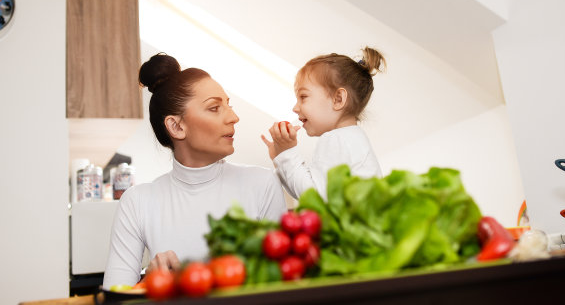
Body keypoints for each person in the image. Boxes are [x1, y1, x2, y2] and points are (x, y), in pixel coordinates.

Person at [103, 53, 287, 289]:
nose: (234, 117)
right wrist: (149, 283)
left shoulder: (262, 184)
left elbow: (285, 285)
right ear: (177, 126)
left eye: (229, 105)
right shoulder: (137, 202)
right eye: (214, 108)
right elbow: (114, 297)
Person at [261, 47, 385, 200]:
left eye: (303, 97)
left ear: (338, 99)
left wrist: (286, 153)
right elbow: (308, 192)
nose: (295, 107)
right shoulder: (351, 138)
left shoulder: (337, 139)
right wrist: (280, 158)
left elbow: (313, 197)